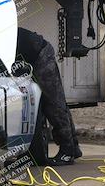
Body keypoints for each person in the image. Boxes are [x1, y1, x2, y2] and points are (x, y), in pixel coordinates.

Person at [16, 27, 82, 165]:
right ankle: (73, 147)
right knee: (55, 102)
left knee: (53, 103)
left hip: (40, 54)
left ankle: (68, 151)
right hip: (34, 51)